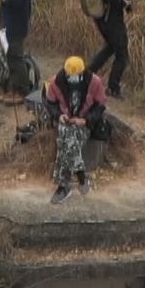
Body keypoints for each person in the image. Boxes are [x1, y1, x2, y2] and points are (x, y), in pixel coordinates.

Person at [44, 56, 107, 204]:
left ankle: (63, 186)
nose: (72, 79)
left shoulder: (94, 82)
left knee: (65, 141)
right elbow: (50, 103)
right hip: (66, 120)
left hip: (84, 123)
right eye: (69, 76)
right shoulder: (56, 82)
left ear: (82, 73)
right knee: (66, 134)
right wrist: (59, 115)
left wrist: (85, 120)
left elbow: (101, 106)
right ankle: (81, 177)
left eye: (75, 76)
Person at [88, 0, 144, 98]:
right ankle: (113, 87)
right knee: (122, 54)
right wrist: (124, 2)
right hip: (111, 19)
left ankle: (87, 74)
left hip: (100, 17)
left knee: (110, 48)